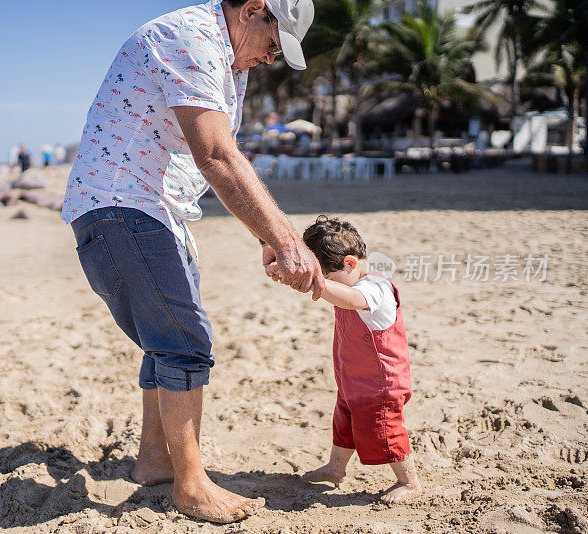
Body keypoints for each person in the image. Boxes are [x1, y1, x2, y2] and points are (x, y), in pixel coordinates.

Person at [62, 0, 319, 524]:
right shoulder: (190, 38)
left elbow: (214, 158)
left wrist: (267, 234)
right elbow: (217, 155)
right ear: (254, 10)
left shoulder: (226, 59)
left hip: (153, 211)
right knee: (184, 342)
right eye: (274, 43)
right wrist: (286, 240)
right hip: (124, 206)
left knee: (168, 338)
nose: (272, 58)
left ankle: (156, 460)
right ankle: (191, 485)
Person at [265, 216, 422, 503]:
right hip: (353, 379)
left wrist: (318, 283)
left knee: (385, 429)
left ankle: (408, 482)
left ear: (350, 264)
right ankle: (336, 468)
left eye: (325, 275)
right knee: (344, 423)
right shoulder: (349, 283)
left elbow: (350, 299)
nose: (321, 284)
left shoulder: (375, 287)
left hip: (381, 384)